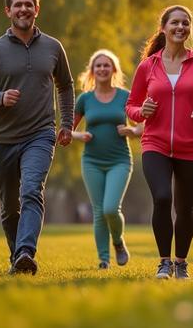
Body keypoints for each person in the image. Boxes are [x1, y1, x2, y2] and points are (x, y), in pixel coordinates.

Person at [0, 0, 74, 275]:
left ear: (37, 9)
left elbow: (65, 86)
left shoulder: (53, 47)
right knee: (9, 207)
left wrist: (66, 123)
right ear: (8, 11)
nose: (24, 9)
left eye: (29, 4)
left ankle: (26, 251)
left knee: (31, 190)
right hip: (3, 138)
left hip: (40, 134)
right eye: (18, 5)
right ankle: (17, 255)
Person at [126, 5, 193, 279]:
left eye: (185, 23)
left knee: (184, 207)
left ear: (189, 29)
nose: (180, 27)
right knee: (161, 197)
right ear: (164, 28)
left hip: (192, 146)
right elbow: (132, 105)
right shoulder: (148, 65)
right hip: (155, 143)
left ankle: (180, 262)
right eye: (175, 23)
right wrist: (140, 113)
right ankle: (164, 261)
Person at [72, 49, 142, 269]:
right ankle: (104, 259)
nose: (102, 68)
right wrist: (79, 135)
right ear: (92, 71)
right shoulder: (84, 99)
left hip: (119, 160)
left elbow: (143, 125)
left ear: (113, 70)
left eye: (106, 65)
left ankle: (118, 242)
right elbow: (66, 130)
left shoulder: (125, 96)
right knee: (99, 211)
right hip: (91, 160)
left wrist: (131, 131)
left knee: (111, 208)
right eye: (98, 65)